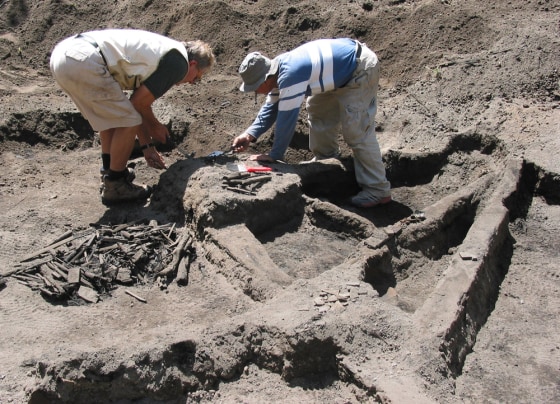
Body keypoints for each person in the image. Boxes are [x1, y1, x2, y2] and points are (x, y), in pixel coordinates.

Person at [50, 29, 215, 205]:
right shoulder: (178, 63)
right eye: (197, 78)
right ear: (193, 64)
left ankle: (110, 172)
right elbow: (137, 104)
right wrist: (155, 127)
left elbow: (136, 106)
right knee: (126, 120)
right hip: (85, 60)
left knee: (113, 119)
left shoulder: (164, 51)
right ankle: (116, 184)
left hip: (64, 56)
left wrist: (147, 146)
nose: (191, 83)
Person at [232, 38, 391, 208]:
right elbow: (271, 108)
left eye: (254, 87)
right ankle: (326, 159)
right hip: (337, 73)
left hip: (358, 70)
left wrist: (275, 155)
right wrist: (249, 135)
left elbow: (286, 119)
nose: (255, 91)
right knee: (317, 108)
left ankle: (377, 189)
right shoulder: (277, 71)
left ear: (264, 79)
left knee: (357, 130)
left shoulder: (290, 75)